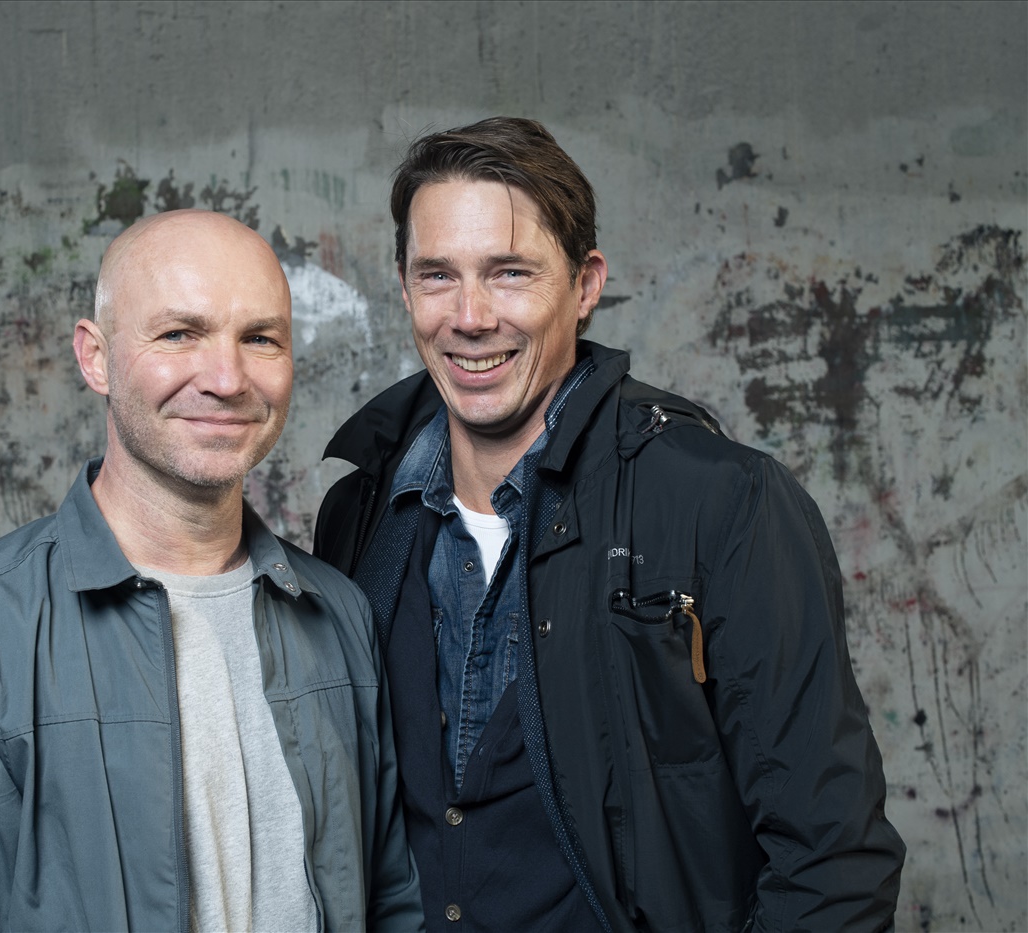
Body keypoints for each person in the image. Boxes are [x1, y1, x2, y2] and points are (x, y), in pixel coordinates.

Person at [314, 117, 905, 933]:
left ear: (585, 284)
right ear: (406, 289)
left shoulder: (722, 503)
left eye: (510, 272)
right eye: (438, 275)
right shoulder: (360, 515)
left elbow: (834, 862)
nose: (470, 315)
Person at [0, 210, 424, 932]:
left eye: (260, 338)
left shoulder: (339, 615)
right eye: (179, 334)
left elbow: (393, 904)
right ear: (96, 356)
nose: (227, 378)